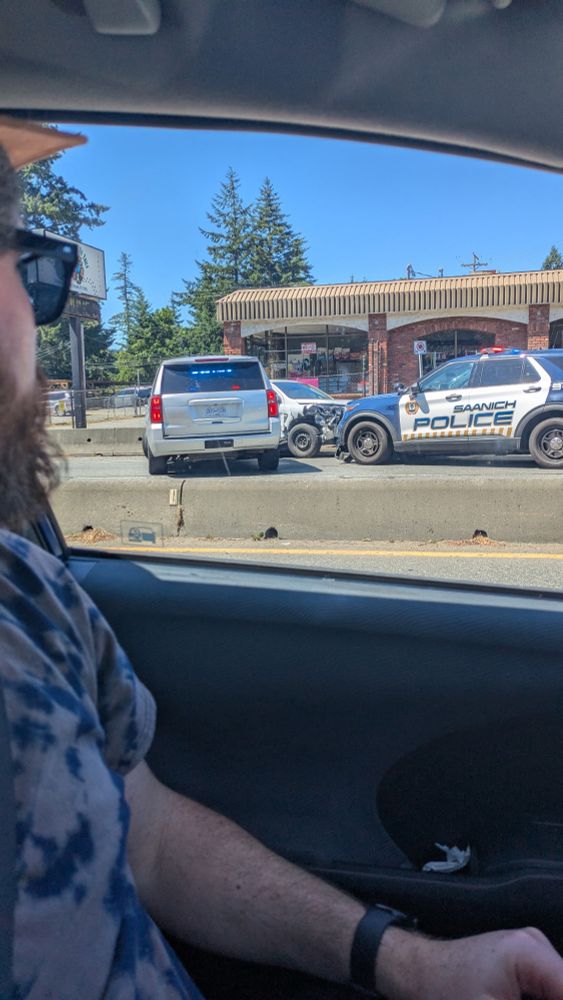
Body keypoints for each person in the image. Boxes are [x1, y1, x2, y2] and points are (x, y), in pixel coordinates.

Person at [1, 120, 563, 1000]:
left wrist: (410, 962)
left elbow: (144, 835)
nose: (29, 308)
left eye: (31, 265)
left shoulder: (28, 588)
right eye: (25, 265)